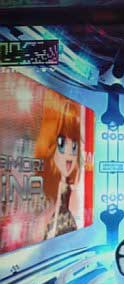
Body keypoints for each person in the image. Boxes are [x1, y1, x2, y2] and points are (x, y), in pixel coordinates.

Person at [34, 92, 81, 239]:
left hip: (65, 226)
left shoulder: (69, 186)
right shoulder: (46, 189)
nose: (69, 156)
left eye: (74, 147)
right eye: (61, 144)